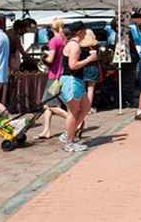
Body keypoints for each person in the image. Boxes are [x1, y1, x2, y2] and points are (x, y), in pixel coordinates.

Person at [59, 21, 99, 152]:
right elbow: (73, 65)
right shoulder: (75, 46)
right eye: (84, 30)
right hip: (72, 80)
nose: (86, 32)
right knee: (73, 113)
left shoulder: (73, 44)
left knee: (86, 107)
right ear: (79, 32)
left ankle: (68, 135)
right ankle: (69, 142)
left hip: (76, 80)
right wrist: (89, 60)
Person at [37, 19, 68, 140]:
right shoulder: (64, 40)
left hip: (54, 76)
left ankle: (74, 120)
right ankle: (46, 130)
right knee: (47, 105)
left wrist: (43, 56)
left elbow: (50, 60)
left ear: (52, 28)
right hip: (61, 74)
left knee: (49, 103)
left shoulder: (54, 41)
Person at [81, 29, 100, 116]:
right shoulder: (96, 45)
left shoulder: (80, 45)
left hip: (82, 67)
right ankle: (88, 108)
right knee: (90, 89)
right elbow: (98, 57)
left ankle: (82, 107)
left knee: (82, 89)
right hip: (93, 67)